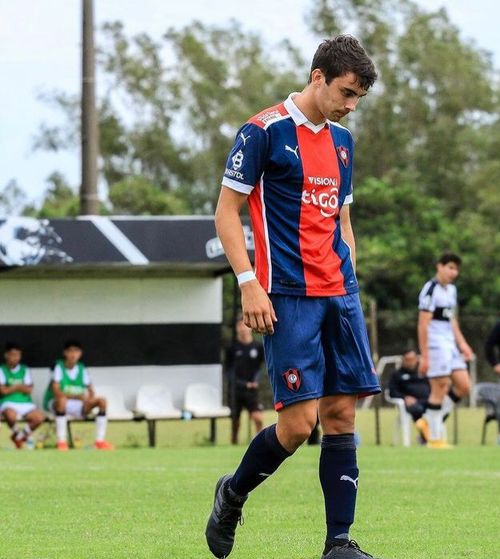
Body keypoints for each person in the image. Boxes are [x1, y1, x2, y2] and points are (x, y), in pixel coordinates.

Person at [206, 35, 381, 559]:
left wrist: (350, 273)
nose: (350, 106)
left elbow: (342, 218)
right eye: (346, 93)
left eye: (359, 99)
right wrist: (248, 282)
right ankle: (232, 494)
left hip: (340, 295)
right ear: (318, 77)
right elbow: (226, 213)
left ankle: (339, 544)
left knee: (342, 416)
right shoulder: (262, 132)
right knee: (298, 425)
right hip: (289, 296)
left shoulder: (343, 142)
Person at [417, 252, 473, 449]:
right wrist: (425, 356)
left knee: (464, 386)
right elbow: (423, 324)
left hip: (450, 343)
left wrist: (463, 344)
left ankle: (427, 420)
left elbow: (452, 320)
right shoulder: (430, 289)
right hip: (435, 343)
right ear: (439, 267)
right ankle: (435, 438)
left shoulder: (451, 290)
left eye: (456, 269)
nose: (453, 272)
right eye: (450, 267)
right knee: (439, 387)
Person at [43, 340, 114, 451]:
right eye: (70, 351)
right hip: (57, 404)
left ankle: (100, 441)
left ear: (80, 353)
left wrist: (89, 401)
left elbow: (91, 391)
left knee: (102, 401)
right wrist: (77, 397)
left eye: (76, 351)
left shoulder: (82, 368)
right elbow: (56, 391)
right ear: (65, 353)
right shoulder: (58, 367)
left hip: (78, 405)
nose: (73, 354)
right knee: (61, 400)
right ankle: (61, 442)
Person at [226, 316, 265, 444]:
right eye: (240, 326)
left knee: (258, 418)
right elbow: (228, 371)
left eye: (245, 325)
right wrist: (242, 384)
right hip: (236, 390)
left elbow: (261, 367)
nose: (243, 329)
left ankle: (260, 443)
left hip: (252, 391)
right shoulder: (232, 347)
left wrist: (255, 381)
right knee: (235, 423)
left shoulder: (258, 347)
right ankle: (233, 443)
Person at [0, 342, 44, 448]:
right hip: (7, 402)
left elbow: (29, 390)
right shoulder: (1, 369)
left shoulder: (24, 369)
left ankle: (20, 437)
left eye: (18, 355)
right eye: (13, 354)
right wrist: (19, 386)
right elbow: (3, 391)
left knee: (39, 417)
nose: (15, 358)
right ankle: (18, 435)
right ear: (6, 355)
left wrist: (11, 387)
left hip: (25, 403)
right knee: (10, 415)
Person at [387, 348, 430, 442]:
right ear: (403, 360)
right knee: (417, 409)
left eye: (412, 359)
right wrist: (404, 398)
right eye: (407, 360)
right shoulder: (397, 374)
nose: (410, 362)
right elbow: (392, 392)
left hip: (427, 401)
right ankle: (426, 437)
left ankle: (428, 435)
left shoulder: (424, 372)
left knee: (441, 409)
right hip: (411, 404)